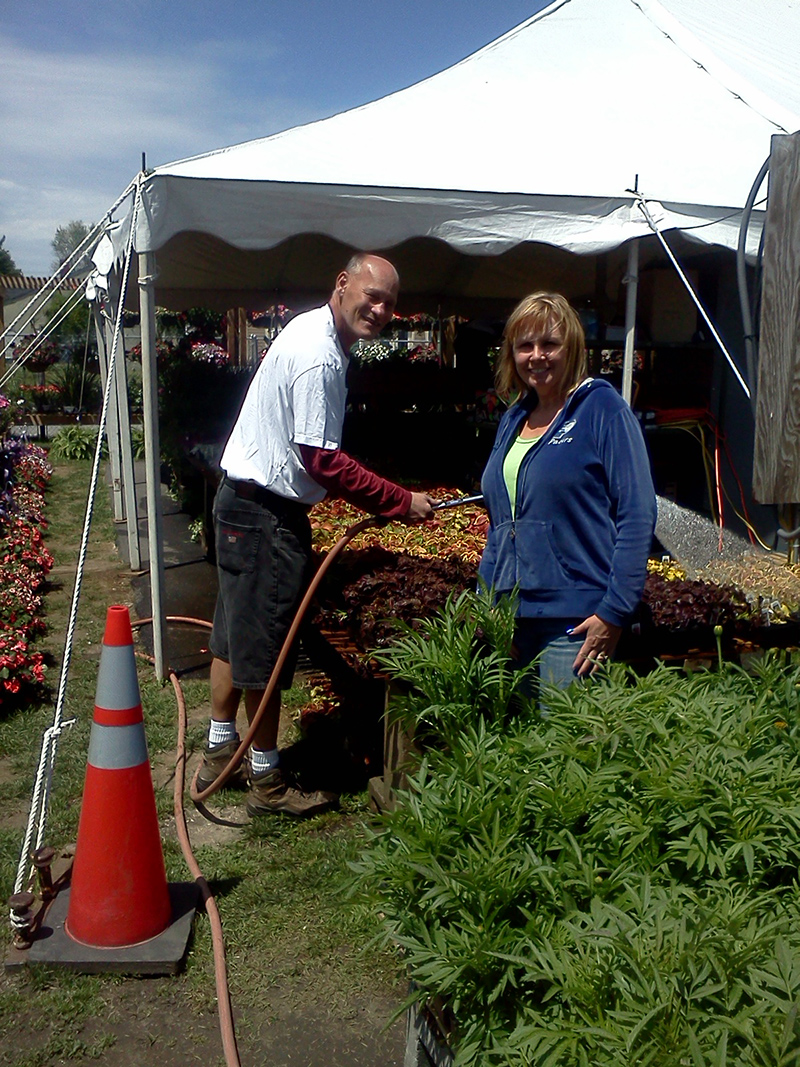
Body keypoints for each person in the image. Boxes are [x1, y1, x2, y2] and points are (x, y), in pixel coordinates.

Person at [200, 253, 436, 816]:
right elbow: (322, 462)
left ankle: (217, 751)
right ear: (342, 283)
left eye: (389, 304)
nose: (378, 310)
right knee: (268, 652)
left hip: (240, 502)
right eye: (371, 295)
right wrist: (400, 501)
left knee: (233, 635)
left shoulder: (309, 329)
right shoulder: (319, 356)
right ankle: (266, 781)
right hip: (266, 517)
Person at [478, 292, 656, 691]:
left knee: (565, 747)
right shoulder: (514, 418)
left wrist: (614, 611)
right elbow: (499, 524)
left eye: (549, 344)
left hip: (576, 623)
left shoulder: (601, 409)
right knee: (517, 748)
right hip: (512, 622)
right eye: (525, 345)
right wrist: (485, 606)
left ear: (571, 347)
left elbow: (638, 513)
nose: (536, 355)